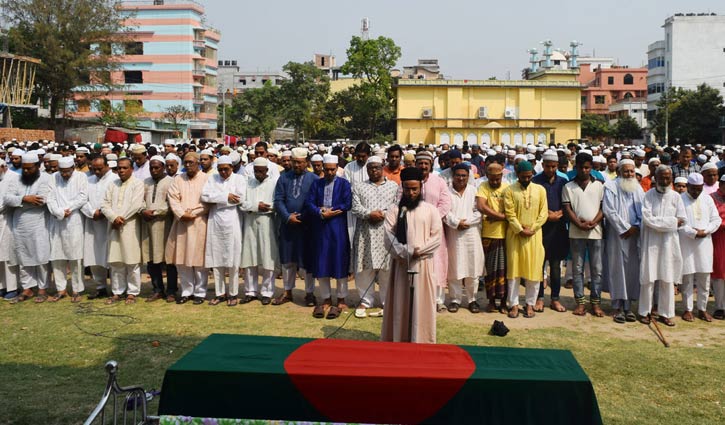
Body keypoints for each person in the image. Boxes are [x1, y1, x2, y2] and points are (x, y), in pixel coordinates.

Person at [381, 167, 442, 343]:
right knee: (400, 304)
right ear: (402, 188)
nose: (411, 192)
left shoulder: (431, 210)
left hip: (423, 265)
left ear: (421, 187)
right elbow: (388, 237)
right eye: (407, 188)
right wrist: (406, 252)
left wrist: (418, 251)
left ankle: (421, 340)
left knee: (422, 305)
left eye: (414, 189)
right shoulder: (395, 210)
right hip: (401, 265)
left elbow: (436, 237)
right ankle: (398, 339)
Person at [351, 156, 399, 318]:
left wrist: (384, 214)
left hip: (387, 232)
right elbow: (355, 207)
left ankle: (387, 300)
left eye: (377, 167)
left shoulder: (393, 186)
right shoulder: (359, 186)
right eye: (370, 168)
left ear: (383, 167)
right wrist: (369, 214)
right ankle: (365, 300)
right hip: (365, 232)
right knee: (365, 268)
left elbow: (398, 206)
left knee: (387, 269)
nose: (374, 170)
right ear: (366, 169)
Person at [639, 165, 686, 327]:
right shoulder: (647, 196)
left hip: (668, 243)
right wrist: (672, 222)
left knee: (667, 278)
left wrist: (666, 223)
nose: (665, 181)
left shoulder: (676, 197)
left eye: (668, 178)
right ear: (655, 178)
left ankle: (666, 313)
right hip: (651, 242)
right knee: (648, 277)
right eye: (662, 178)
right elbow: (648, 220)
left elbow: (682, 220)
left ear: (671, 179)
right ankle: (645, 312)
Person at [307, 154, 352, 320]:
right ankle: (326, 298)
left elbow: (347, 203)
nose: (330, 172)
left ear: (337, 168)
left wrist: (332, 210)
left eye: (333, 169)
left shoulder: (344, 184)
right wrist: (320, 212)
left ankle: (341, 299)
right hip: (321, 227)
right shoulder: (316, 184)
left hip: (337, 227)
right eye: (327, 170)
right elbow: (309, 203)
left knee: (339, 262)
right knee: (322, 262)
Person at [273, 148, 318, 306]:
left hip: (307, 227)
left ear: (306, 162)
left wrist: (303, 216)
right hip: (288, 226)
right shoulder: (283, 178)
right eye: (294, 162)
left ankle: (310, 293)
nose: (296, 165)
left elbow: (315, 202)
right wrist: (287, 216)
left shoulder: (314, 179)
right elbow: (278, 200)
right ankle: (287, 292)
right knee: (288, 261)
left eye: (300, 162)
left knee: (307, 261)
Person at [503, 161, 548, 319]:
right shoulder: (509, 190)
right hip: (515, 235)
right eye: (523, 177)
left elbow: (544, 213)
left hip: (534, 236)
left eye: (529, 176)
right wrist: (520, 229)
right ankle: (513, 304)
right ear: (518, 175)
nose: (527, 179)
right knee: (514, 271)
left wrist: (533, 228)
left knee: (534, 271)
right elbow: (509, 213)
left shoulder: (540, 190)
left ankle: (530, 303)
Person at [5, 153, 52, 302]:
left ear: (38, 166)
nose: (26, 172)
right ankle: (27, 288)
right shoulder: (17, 178)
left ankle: (42, 289)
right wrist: (25, 199)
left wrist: (19, 202)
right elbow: (7, 198)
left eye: (29, 169)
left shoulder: (46, 178)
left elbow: (42, 199)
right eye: (24, 169)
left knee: (41, 255)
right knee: (23, 255)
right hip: (19, 223)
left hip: (39, 222)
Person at [563, 153, 605, 317]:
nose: (584, 170)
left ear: (591, 167)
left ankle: (595, 303)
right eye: (581, 167)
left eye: (587, 167)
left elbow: (603, 208)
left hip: (596, 232)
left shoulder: (599, 186)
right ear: (576, 168)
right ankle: (580, 302)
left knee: (597, 269)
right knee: (577, 269)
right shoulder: (568, 186)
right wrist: (579, 224)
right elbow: (567, 209)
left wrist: (594, 222)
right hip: (576, 232)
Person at [602, 159, 644, 323]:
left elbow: (643, 209)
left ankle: (628, 306)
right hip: (617, 234)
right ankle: (616, 306)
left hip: (634, 235)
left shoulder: (637, 188)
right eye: (626, 171)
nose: (629, 174)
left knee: (632, 269)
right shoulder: (610, 187)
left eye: (632, 171)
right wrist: (624, 228)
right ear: (619, 171)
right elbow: (608, 210)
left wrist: (636, 226)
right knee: (616, 268)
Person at [166, 152, 210, 305]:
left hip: (199, 222)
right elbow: (173, 198)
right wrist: (181, 214)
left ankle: (200, 292)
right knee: (182, 260)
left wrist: (194, 213)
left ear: (198, 163)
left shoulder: (206, 178)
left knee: (199, 260)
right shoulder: (178, 179)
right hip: (181, 223)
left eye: (191, 162)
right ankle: (186, 291)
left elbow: (208, 201)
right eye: (186, 162)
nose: (188, 165)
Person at [201, 155, 246, 306]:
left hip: (232, 220)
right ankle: (220, 293)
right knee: (217, 259)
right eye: (220, 170)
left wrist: (218, 199)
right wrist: (226, 196)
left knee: (233, 260)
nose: (223, 173)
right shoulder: (212, 178)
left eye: (226, 169)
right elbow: (205, 196)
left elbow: (240, 199)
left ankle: (233, 294)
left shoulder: (239, 179)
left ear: (232, 168)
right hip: (215, 221)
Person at [101, 158, 145, 305]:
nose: (121, 171)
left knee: (132, 260)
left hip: (130, 226)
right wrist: (113, 218)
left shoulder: (137, 184)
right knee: (116, 261)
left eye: (124, 168)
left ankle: (132, 292)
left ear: (131, 169)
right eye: (119, 168)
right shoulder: (112, 184)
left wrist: (121, 218)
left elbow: (136, 204)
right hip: (114, 226)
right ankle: (117, 291)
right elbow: (104, 204)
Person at [679, 173, 720, 322]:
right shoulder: (680, 199)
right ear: (688, 186)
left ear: (702, 187)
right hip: (687, 242)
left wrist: (706, 231)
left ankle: (702, 309)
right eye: (693, 189)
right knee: (688, 277)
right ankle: (687, 309)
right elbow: (679, 222)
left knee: (704, 277)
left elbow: (716, 219)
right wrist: (693, 233)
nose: (696, 192)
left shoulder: (707, 199)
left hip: (704, 243)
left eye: (699, 189)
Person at [531, 150, 569, 313]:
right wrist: (546, 215)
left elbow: (568, 203)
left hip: (559, 229)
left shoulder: (563, 181)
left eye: (554, 166)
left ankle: (554, 298)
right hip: (541, 228)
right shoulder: (535, 181)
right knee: (539, 265)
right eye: (548, 166)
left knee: (555, 266)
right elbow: (532, 204)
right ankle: (539, 297)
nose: (551, 169)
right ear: (543, 165)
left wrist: (560, 213)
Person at [444, 163, 484, 313]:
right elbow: (444, 211)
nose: (461, 178)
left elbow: (479, 211)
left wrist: (465, 222)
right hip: (454, 234)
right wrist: (455, 223)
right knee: (455, 268)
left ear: (468, 177)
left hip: (471, 234)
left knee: (472, 268)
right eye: (458, 175)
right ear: (452, 176)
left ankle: (472, 299)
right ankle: (455, 299)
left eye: (464, 176)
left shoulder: (474, 191)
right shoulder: (446, 192)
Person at [47, 156, 88, 302]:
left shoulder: (81, 177)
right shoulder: (53, 177)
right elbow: (49, 198)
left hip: (74, 219)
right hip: (57, 220)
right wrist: (58, 212)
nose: (64, 174)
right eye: (62, 171)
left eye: (67, 171)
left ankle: (77, 290)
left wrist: (68, 209)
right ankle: (61, 289)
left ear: (73, 168)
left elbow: (83, 197)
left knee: (75, 257)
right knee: (57, 257)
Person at [414, 151, 451, 310]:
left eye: (426, 164)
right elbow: (400, 199)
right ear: (416, 164)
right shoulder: (409, 180)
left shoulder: (439, 181)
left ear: (430, 165)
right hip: (414, 229)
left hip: (435, 228)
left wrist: (432, 218)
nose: (423, 166)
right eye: (420, 163)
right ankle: (418, 300)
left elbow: (445, 202)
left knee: (437, 263)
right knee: (417, 263)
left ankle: (438, 300)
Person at [240, 157, 279, 306]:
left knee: (268, 258)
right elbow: (241, 203)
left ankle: (267, 292)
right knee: (249, 258)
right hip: (250, 221)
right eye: (256, 171)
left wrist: (266, 207)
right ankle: (250, 291)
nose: (258, 174)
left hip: (267, 221)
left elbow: (278, 203)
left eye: (261, 171)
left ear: (267, 171)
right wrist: (256, 206)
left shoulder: (274, 183)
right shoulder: (247, 182)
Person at [82, 156, 119, 299]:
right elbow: (83, 200)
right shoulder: (88, 180)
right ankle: (101, 287)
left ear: (107, 166)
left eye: (99, 168)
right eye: (94, 169)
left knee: (113, 256)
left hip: (110, 223)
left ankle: (117, 289)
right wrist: (92, 212)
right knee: (94, 255)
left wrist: (104, 213)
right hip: (92, 223)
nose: (96, 171)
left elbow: (117, 200)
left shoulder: (114, 179)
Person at [141, 155, 176, 302]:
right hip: (147, 224)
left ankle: (172, 291)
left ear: (163, 167)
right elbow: (139, 199)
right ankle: (157, 289)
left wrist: (155, 212)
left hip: (164, 224)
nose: (154, 170)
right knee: (151, 258)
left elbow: (171, 203)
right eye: (151, 168)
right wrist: (143, 210)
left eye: (157, 167)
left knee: (168, 259)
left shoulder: (171, 182)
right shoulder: (145, 182)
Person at [476, 162, 509, 312]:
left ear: (502, 176)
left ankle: (503, 301)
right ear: (487, 176)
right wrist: (502, 216)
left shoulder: (508, 187)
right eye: (492, 179)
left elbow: (512, 209)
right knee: (490, 270)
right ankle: (491, 301)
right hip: (488, 234)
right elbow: (482, 206)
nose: (495, 182)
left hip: (506, 234)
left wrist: (495, 216)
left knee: (505, 270)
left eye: (497, 179)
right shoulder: (483, 186)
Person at [0, 160, 19, 301]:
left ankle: (12, 287)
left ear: (3, 167)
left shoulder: (13, 178)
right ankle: (2, 285)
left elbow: (7, 202)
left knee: (8, 255)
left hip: (7, 220)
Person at [710, 172, 725, 320]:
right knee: (719, 273)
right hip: (718, 238)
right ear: (720, 184)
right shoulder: (712, 198)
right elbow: (712, 218)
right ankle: (720, 307)